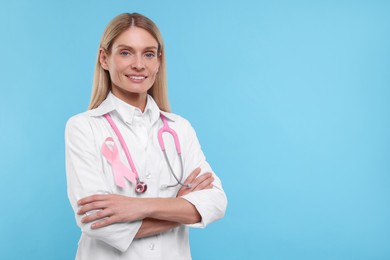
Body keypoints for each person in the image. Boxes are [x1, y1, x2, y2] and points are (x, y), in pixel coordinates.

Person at [65, 13, 227, 260]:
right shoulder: (83, 127)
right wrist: (179, 207)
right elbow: (96, 222)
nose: (139, 64)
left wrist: (137, 207)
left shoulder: (179, 129)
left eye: (149, 54)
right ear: (104, 58)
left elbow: (215, 202)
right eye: (126, 52)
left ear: (159, 61)